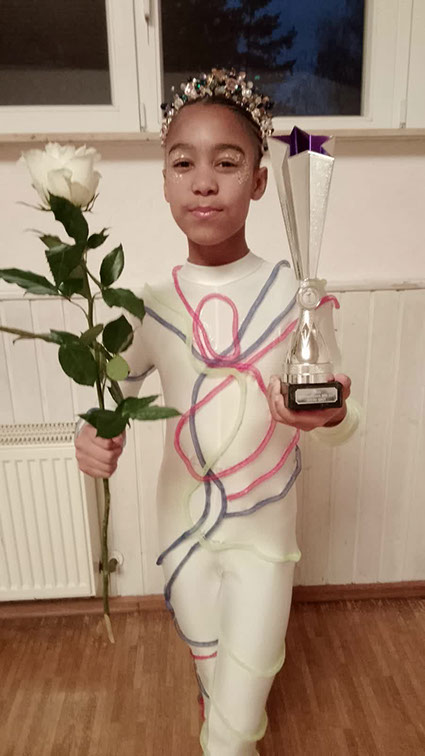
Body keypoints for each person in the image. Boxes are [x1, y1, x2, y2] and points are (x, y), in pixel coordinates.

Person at [75, 68, 360, 755]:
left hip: (266, 542)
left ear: (259, 181)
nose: (203, 182)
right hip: (181, 535)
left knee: (234, 726)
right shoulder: (147, 303)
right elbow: (111, 395)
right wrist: (90, 432)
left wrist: (328, 418)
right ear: (164, 180)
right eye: (184, 163)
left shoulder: (297, 295)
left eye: (226, 163)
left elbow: (345, 422)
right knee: (213, 679)